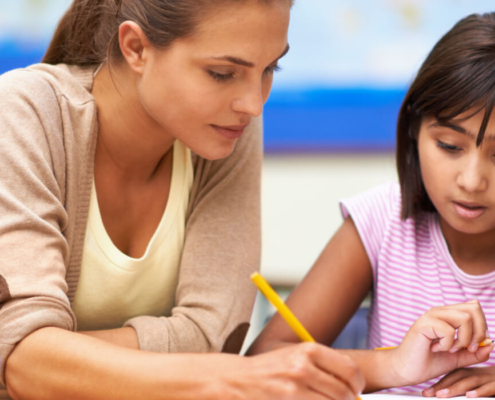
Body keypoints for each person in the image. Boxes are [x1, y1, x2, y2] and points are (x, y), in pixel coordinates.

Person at [0, 0, 365, 399]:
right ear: (136, 48)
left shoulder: (224, 131)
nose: (253, 105)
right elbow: (23, 364)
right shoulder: (24, 112)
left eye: (269, 70)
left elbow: (215, 337)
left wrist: (58, 355)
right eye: (222, 73)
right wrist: (227, 375)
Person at [248, 11, 495, 398]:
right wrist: (394, 365)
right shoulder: (383, 219)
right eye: (449, 146)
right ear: (413, 129)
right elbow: (264, 362)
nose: (471, 181)